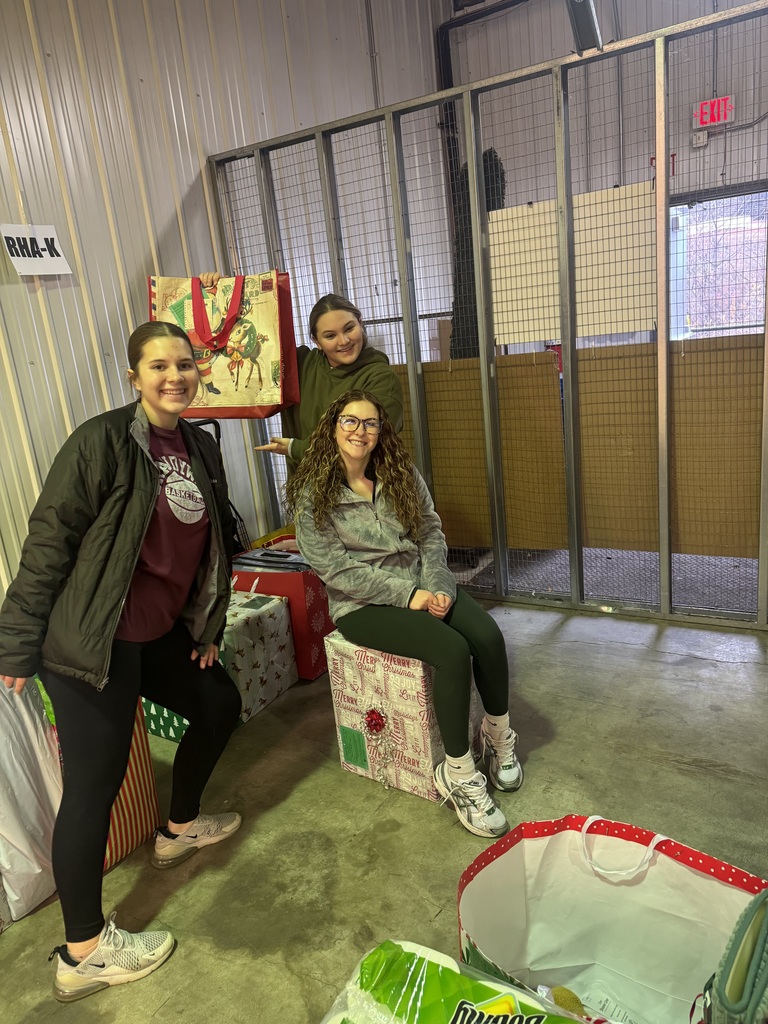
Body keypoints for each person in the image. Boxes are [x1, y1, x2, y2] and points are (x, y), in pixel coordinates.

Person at [0, 321, 243, 1002]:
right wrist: (16, 639)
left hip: (156, 633)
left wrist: (208, 623)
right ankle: (83, 951)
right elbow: (50, 539)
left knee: (219, 704)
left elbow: (212, 547)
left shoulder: (199, 444)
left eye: (185, 364)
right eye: (158, 365)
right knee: (94, 790)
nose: (175, 376)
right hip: (90, 640)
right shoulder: (102, 441)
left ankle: (179, 827)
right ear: (133, 376)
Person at [286, 389, 523, 839]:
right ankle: (457, 773)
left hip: (424, 582)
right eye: (350, 422)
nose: (361, 431)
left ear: (381, 431)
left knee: (488, 638)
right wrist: (408, 594)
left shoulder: (399, 474)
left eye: (371, 423)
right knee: (452, 651)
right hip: (362, 605)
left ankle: (497, 736)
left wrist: (436, 583)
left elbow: (430, 529)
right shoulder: (313, 495)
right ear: (332, 427)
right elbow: (335, 570)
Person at [252, 291, 404, 471]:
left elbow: (361, 442)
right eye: (330, 336)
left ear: (360, 324)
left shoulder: (381, 379)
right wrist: (215, 294)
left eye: (349, 329)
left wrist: (296, 448)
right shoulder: (299, 365)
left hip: (358, 493)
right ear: (316, 341)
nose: (344, 341)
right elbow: (247, 343)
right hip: (305, 490)